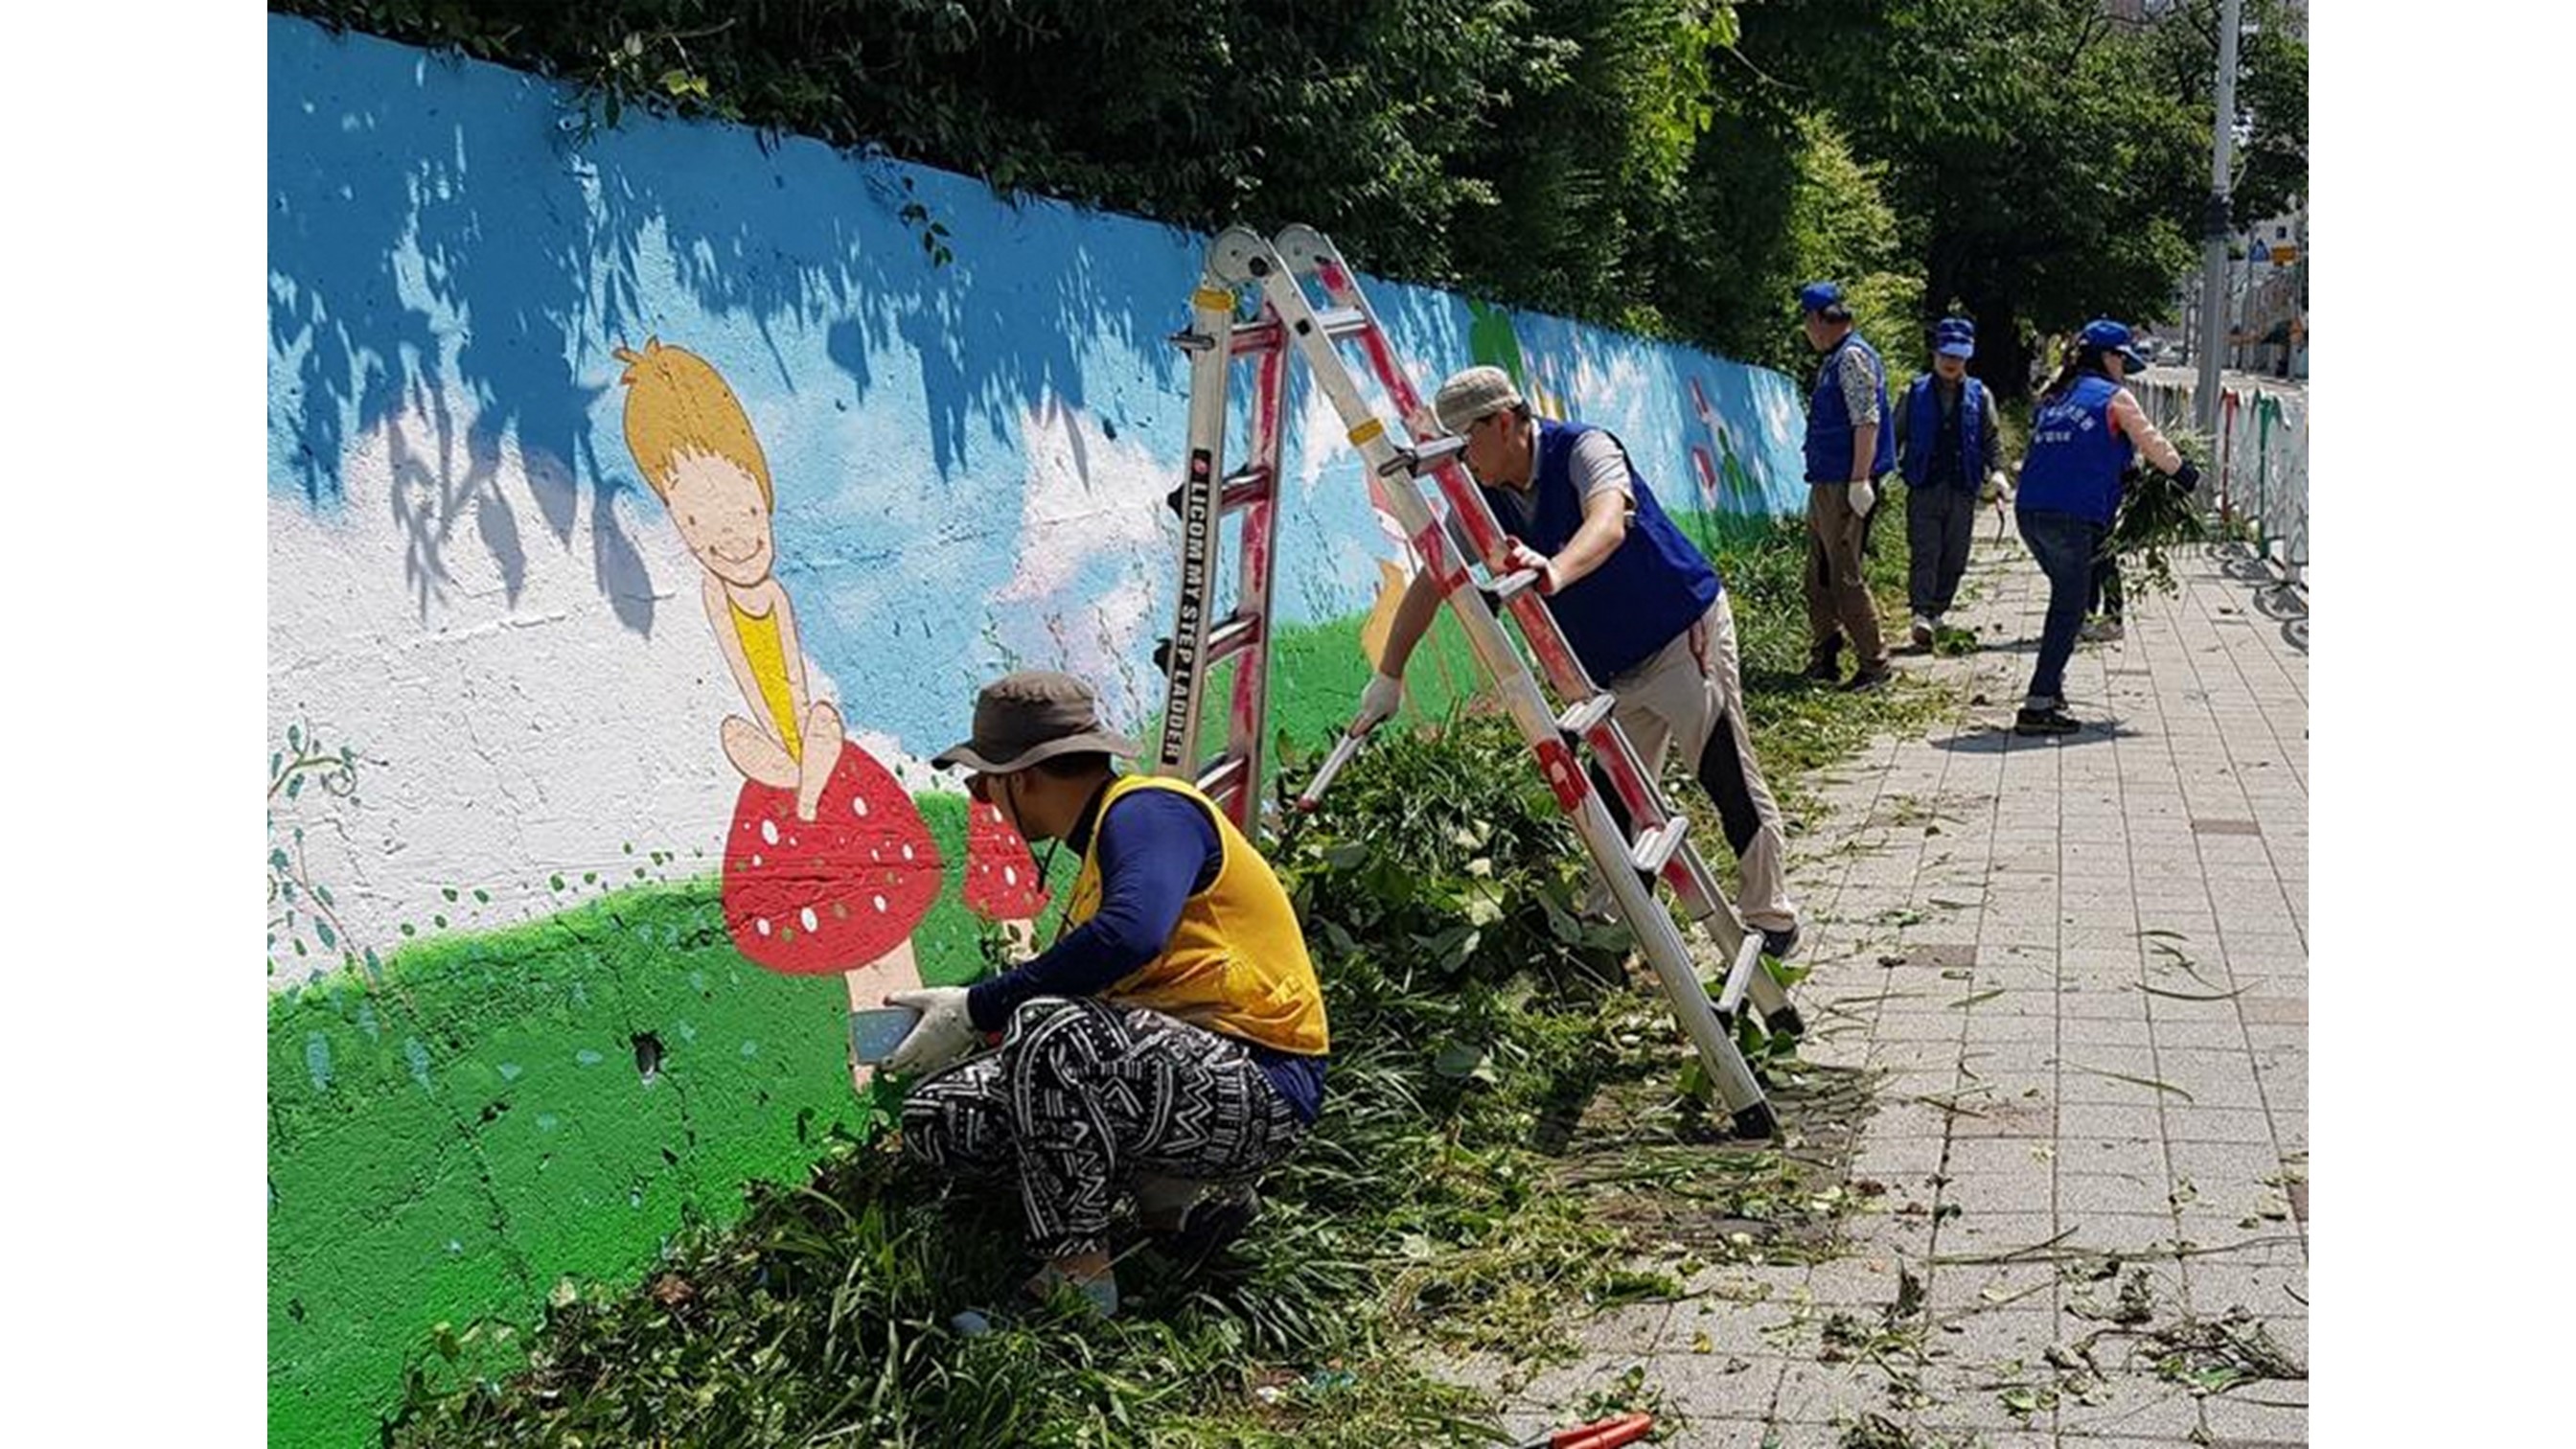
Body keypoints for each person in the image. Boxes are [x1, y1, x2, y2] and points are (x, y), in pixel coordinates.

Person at [886, 671, 1330, 1317]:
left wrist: (979, 1007)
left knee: (1050, 1028)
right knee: (942, 1115)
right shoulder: (1104, 849)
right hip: (1182, 1083)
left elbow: (1130, 936)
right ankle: (1171, 1214)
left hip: (1263, 1086)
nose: (983, 798)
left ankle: (1077, 1280)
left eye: (984, 781)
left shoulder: (1149, 812)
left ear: (1024, 776)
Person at [1354, 365, 1804, 959]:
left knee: (1725, 772)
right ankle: (1606, 931)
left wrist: (1553, 571)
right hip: (1608, 668)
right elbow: (1432, 580)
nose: (1462, 461)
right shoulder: (1480, 502)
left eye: (1467, 442)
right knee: (1612, 798)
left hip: (1676, 633)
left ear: (1505, 422)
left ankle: (1770, 917)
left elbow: (1608, 522)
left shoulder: (1585, 449)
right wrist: (1389, 674)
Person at [2012, 320, 2200, 736]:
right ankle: (2038, 703)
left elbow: (2071, 452)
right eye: (2121, 359)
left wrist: (2123, 474)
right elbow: (2151, 441)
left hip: (2030, 513)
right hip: (2072, 515)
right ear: (2107, 357)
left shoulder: (2053, 397)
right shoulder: (2114, 397)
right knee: (2070, 606)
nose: (2124, 369)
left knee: (2067, 600)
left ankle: (2050, 691)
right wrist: (2183, 473)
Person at [1797, 283, 1896, 690]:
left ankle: (1875, 665)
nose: (1806, 329)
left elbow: (1866, 421)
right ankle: (1826, 655)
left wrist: (1859, 478)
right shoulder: (1835, 359)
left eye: (1807, 320)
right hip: (1827, 481)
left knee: (1844, 576)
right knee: (1817, 575)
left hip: (1845, 483)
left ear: (1821, 319)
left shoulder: (1852, 357)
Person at [1893, 317, 2006, 649]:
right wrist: (1874, 477)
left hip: (1962, 487)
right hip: (1924, 486)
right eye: (1946, 355)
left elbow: (1991, 438)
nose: (1951, 362)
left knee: (1956, 556)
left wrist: (1998, 472)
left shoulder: (1980, 395)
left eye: (1957, 356)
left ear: (1967, 357)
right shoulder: (1913, 393)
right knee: (1925, 551)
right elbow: (1892, 437)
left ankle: (1939, 610)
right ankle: (1921, 614)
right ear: (1935, 354)